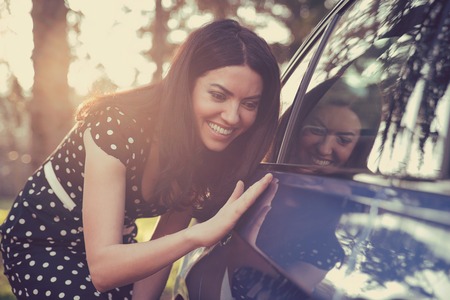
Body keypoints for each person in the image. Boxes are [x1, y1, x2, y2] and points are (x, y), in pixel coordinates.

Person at [0, 19, 280, 299]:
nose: (232, 117)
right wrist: (200, 234)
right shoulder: (116, 125)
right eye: (218, 95)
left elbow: (164, 243)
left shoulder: (206, 152)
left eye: (249, 104)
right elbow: (104, 268)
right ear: (186, 85)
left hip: (114, 247)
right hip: (43, 240)